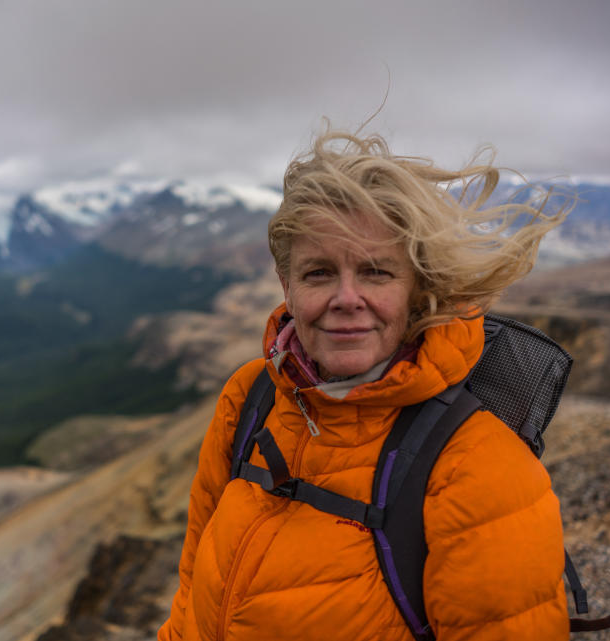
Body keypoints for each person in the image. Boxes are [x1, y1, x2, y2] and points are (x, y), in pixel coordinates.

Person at [157, 126, 571, 641]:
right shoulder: (250, 397)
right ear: (286, 285)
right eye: (318, 273)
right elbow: (193, 580)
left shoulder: (478, 469)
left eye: (376, 272)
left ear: (417, 288)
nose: (346, 298)